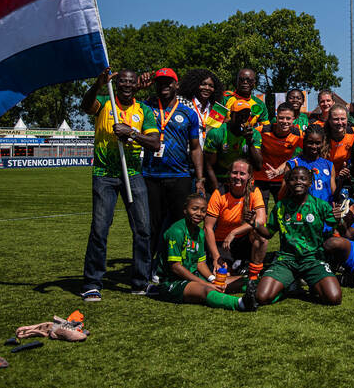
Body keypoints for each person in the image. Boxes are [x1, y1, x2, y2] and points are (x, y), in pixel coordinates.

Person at [80, 68, 160, 301]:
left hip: (133, 174)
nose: (125, 85)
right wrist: (99, 84)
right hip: (104, 174)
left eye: (130, 82)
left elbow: (155, 143)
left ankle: (140, 282)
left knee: (143, 229)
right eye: (121, 81)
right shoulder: (105, 103)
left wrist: (131, 133)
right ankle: (92, 282)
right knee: (100, 228)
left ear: (137, 85)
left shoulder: (143, 109)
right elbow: (86, 106)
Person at [244, 166, 344, 307]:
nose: (298, 182)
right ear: (288, 182)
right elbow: (268, 233)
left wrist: (339, 219)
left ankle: (311, 283)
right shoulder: (280, 207)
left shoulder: (320, 205)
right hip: (286, 260)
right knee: (262, 297)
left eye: (303, 179)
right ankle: (289, 285)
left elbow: (339, 228)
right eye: (294, 179)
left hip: (312, 260)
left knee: (334, 299)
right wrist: (254, 224)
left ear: (310, 182)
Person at [141, 68, 204, 273]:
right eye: (160, 82)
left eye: (169, 82)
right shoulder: (145, 107)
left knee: (178, 227)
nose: (165, 86)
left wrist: (199, 178)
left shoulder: (188, 113)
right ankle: (147, 268)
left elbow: (195, 148)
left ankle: (173, 268)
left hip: (180, 176)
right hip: (151, 176)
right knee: (151, 226)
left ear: (176, 85)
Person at [155, 194, 251, 311]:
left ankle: (263, 291)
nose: (199, 213)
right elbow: (176, 267)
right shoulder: (177, 231)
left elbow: (200, 263)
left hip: (194, 276)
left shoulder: (200, 233)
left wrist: (212, 279)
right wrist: (207, 284)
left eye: (203, 210)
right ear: (185, 210)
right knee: (207, 290)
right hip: (172, 282)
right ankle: (241, 303)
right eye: (194, 209)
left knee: (241, 280)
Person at [203, 158, 267, 291]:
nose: (238, 177)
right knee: (221, 275)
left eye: (242, 174)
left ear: (249, 176)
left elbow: (261, 221)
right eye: (234, 173)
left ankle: (253, 275)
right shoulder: (219, 193)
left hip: (244, 240)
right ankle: (246, 276)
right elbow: (207, 227)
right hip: (222, 243)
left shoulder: (254, 191)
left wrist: (234, 232)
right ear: (229, 174)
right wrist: (216, 257)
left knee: (261, 235)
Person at [204, 100, 263, 194]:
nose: (242, 118)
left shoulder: (254, 134)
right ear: (231, 115)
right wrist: (216, 191)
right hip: (220, 179)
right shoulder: (217, 132)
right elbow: (209, 165)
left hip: (242, 180)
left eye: (246, 115)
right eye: (239, 114)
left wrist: (250, 142)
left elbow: (258, 166)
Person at [267, 124, 336, 204]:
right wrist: (290, 178)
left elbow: (333, 194)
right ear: (304, 141)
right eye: (310, 142)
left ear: (323, 143)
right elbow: (281, 196)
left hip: (324, 212)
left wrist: (341, 180)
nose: (314, 146)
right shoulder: (293, 164)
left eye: (317, 143)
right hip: (302, 212)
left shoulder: (328, 165)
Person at [255, 103, 303, 206]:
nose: (284, 122)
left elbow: (306, 153)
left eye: (288, 118)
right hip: (261, 177)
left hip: (283, 179)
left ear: (293, 119)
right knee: (260, 211)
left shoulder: (298, 134)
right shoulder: (262, 130)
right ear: (276, 118)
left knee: (283, 212)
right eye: (281, 118)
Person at [177, 68, 223, 147]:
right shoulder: (182, 102)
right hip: (186, 151)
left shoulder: (215, 109)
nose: (207, 88)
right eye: (203, 84)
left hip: (207, 154)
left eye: (211, 86)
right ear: (195, 84)